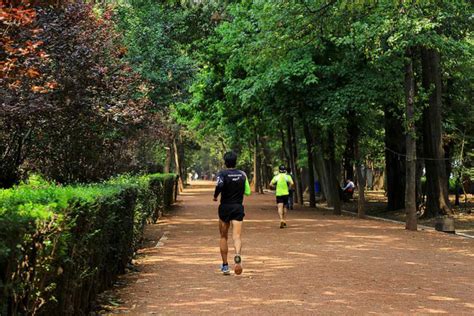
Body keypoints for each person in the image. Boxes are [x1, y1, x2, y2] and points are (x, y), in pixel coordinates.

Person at [213, 151, 251, 275]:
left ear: (225, 162)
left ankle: (225, 266)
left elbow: (219, 185)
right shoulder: (243, 174)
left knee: (224, 236)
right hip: (238, 207)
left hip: (225, 207)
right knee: (237, 237)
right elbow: (248, 192)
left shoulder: (222, 174)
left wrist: (215, 196)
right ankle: (238, 258)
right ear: (236, 161)